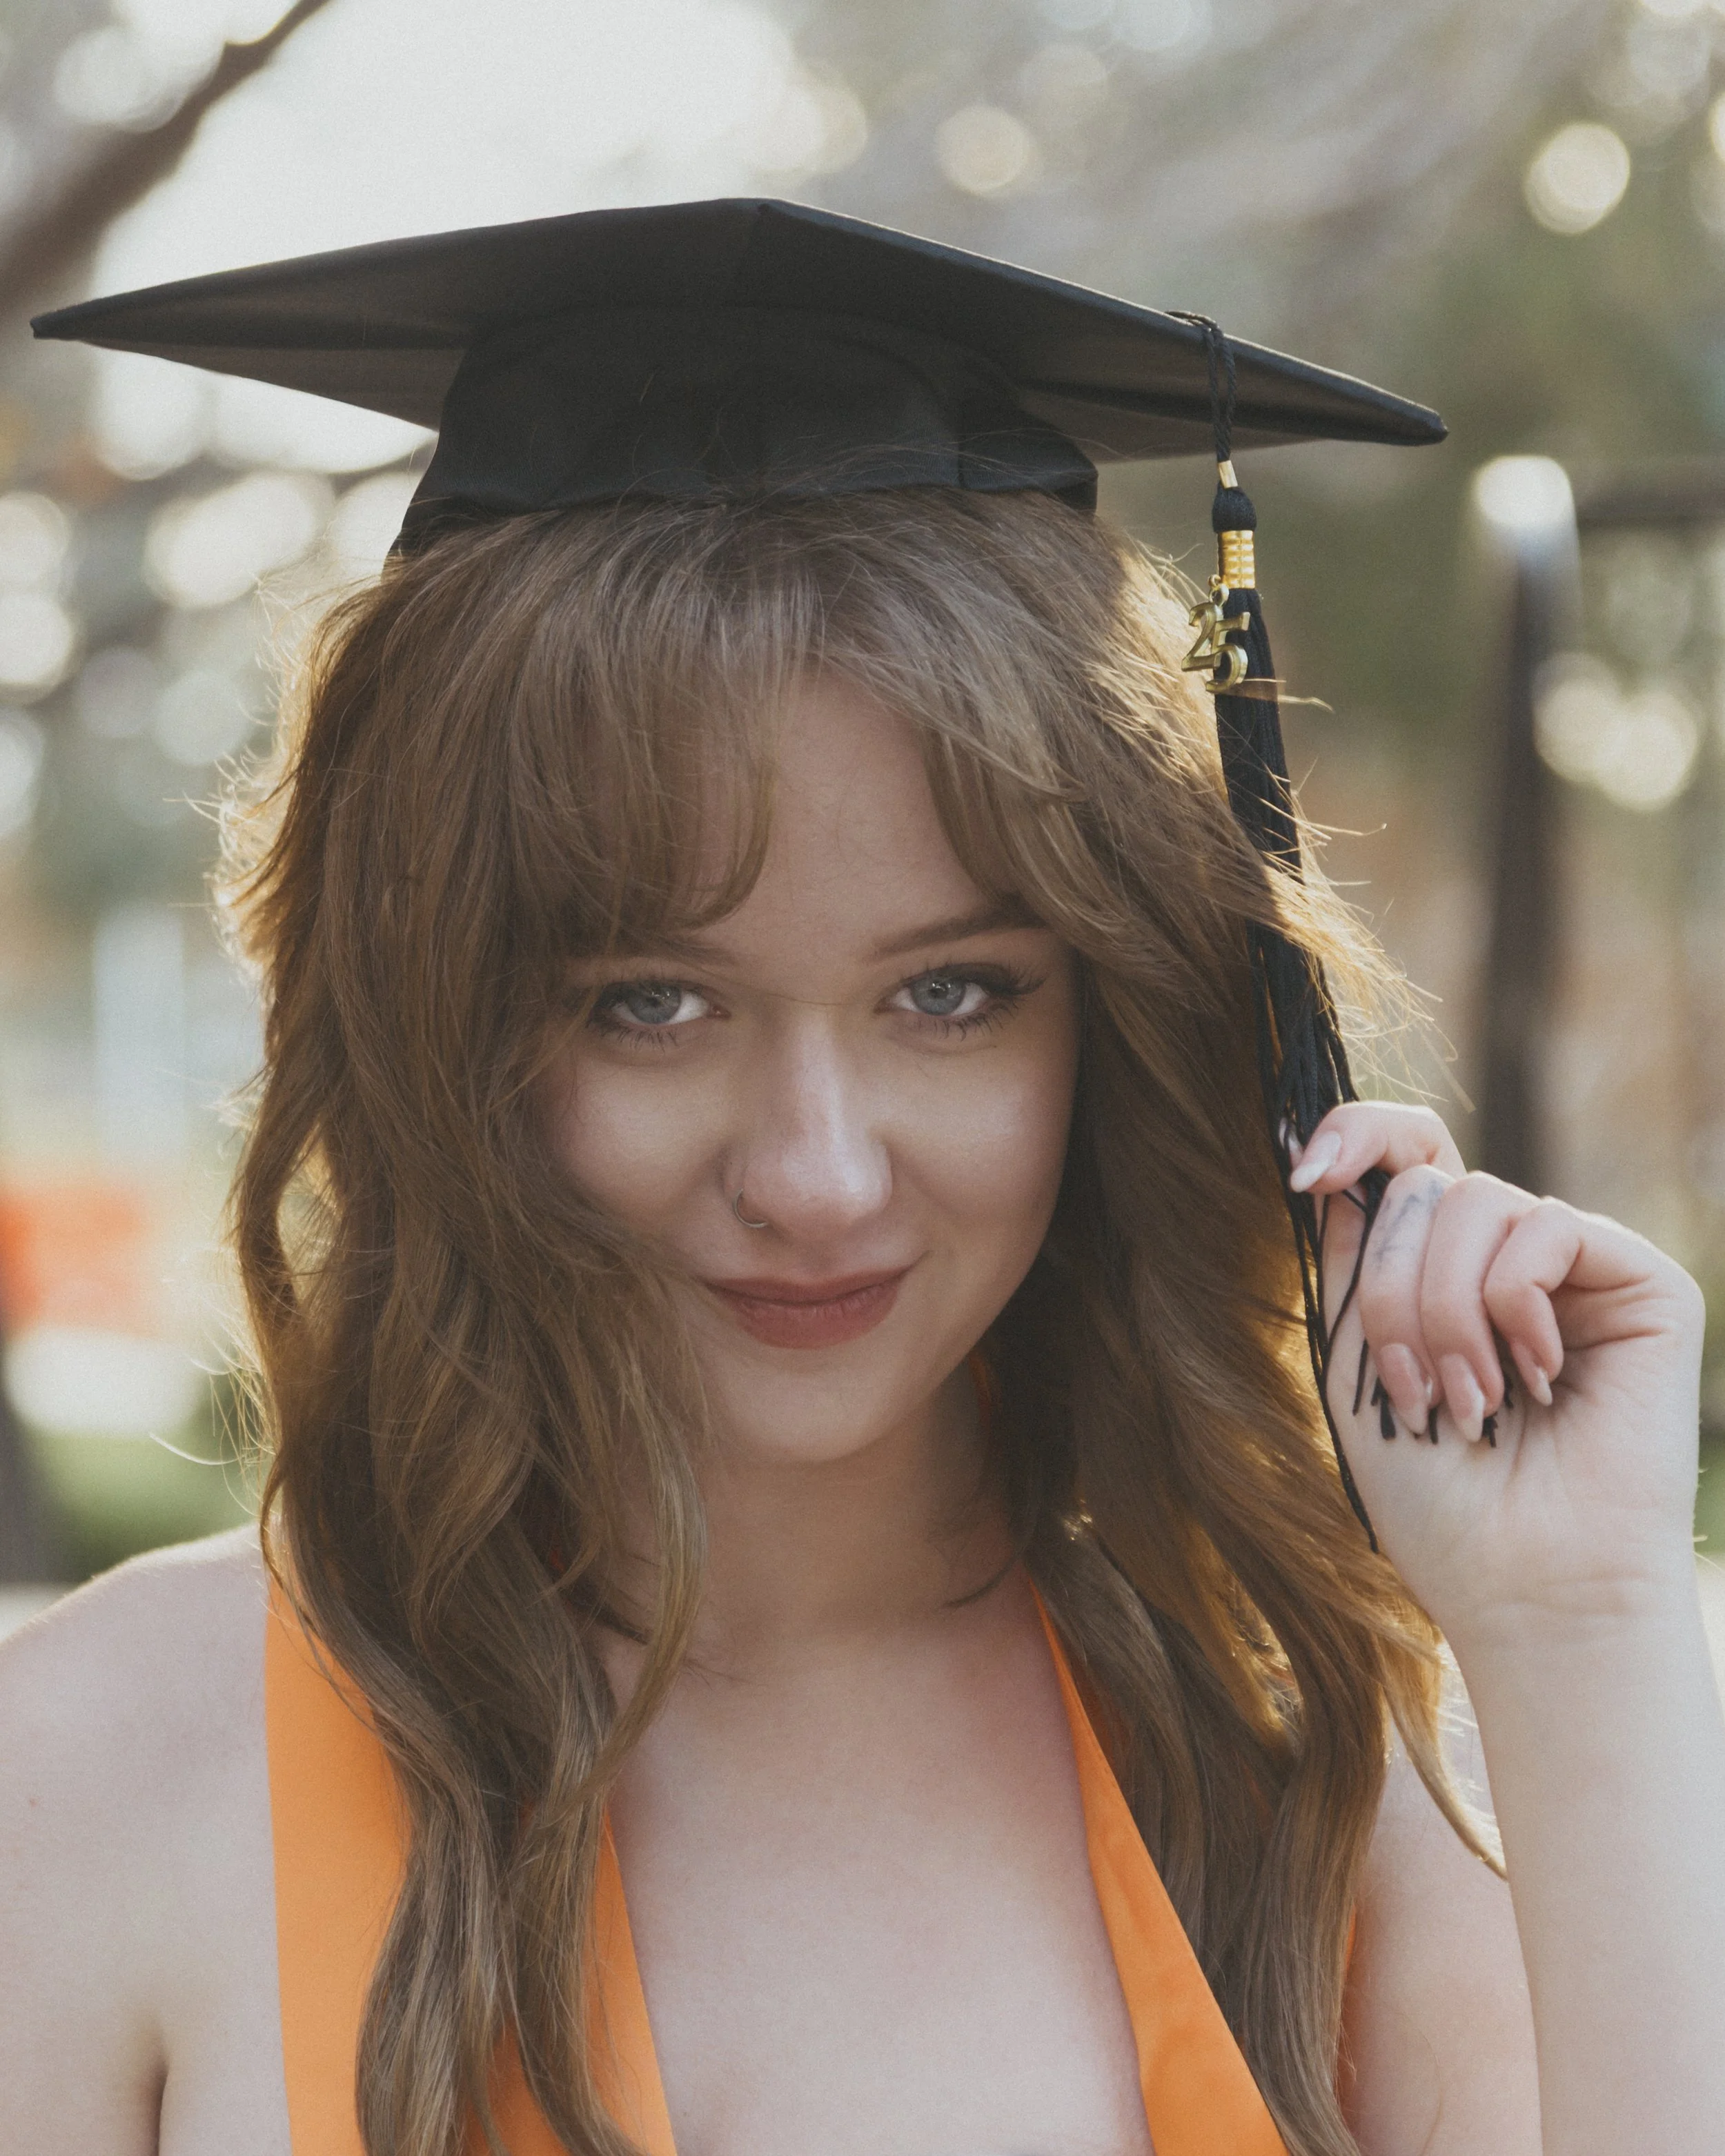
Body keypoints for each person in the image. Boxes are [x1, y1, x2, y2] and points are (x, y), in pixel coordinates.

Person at [1, 200, 1720, 2156]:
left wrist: (1580, 1624)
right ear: (435, 1016)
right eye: (651, 1001)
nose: (816, 1175)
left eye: (951, 992)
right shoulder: (87, 1778)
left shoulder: (1307, 1769)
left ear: (1116, 1011)